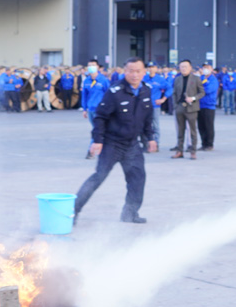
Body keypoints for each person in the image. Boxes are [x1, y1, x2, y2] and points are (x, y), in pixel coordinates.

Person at [74, 58, 157, 223]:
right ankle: (72, 213)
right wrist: (97, 140)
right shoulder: (115, 92)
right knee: (98, 177)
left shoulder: (146, 90)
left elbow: (148, 118)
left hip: (132, 145)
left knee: (138, 179)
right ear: (124, 72)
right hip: (113, 144)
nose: (134, 75)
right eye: (130, 71)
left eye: (138, 71)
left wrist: (151, 138)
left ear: (144, 72)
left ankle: (129, 213)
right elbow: (100, 117)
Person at [171, 59, 204, 159]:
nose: (183, 69)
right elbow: (174, 93)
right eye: (181, 67)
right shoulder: (177, 79)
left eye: (185, 67)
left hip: (192, 108)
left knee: (193, 131)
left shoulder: (196, 79)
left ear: (190, 68)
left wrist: (193, 98)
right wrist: (176, 105)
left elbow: (202, 93)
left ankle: (193, 151)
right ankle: (179, 151)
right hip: (180, 107)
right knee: (180, 131)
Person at [198, 62, 219, 151]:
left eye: (207, 67)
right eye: (204, 67)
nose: (205, 69)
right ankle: (203, 143)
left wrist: (199, 90)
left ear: (211, 69)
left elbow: (208, 90)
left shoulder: (213, 80)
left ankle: (209, 144)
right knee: (201, 126)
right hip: (200, 105)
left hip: (209, 106)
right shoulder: (201, 78)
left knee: (208, 126)